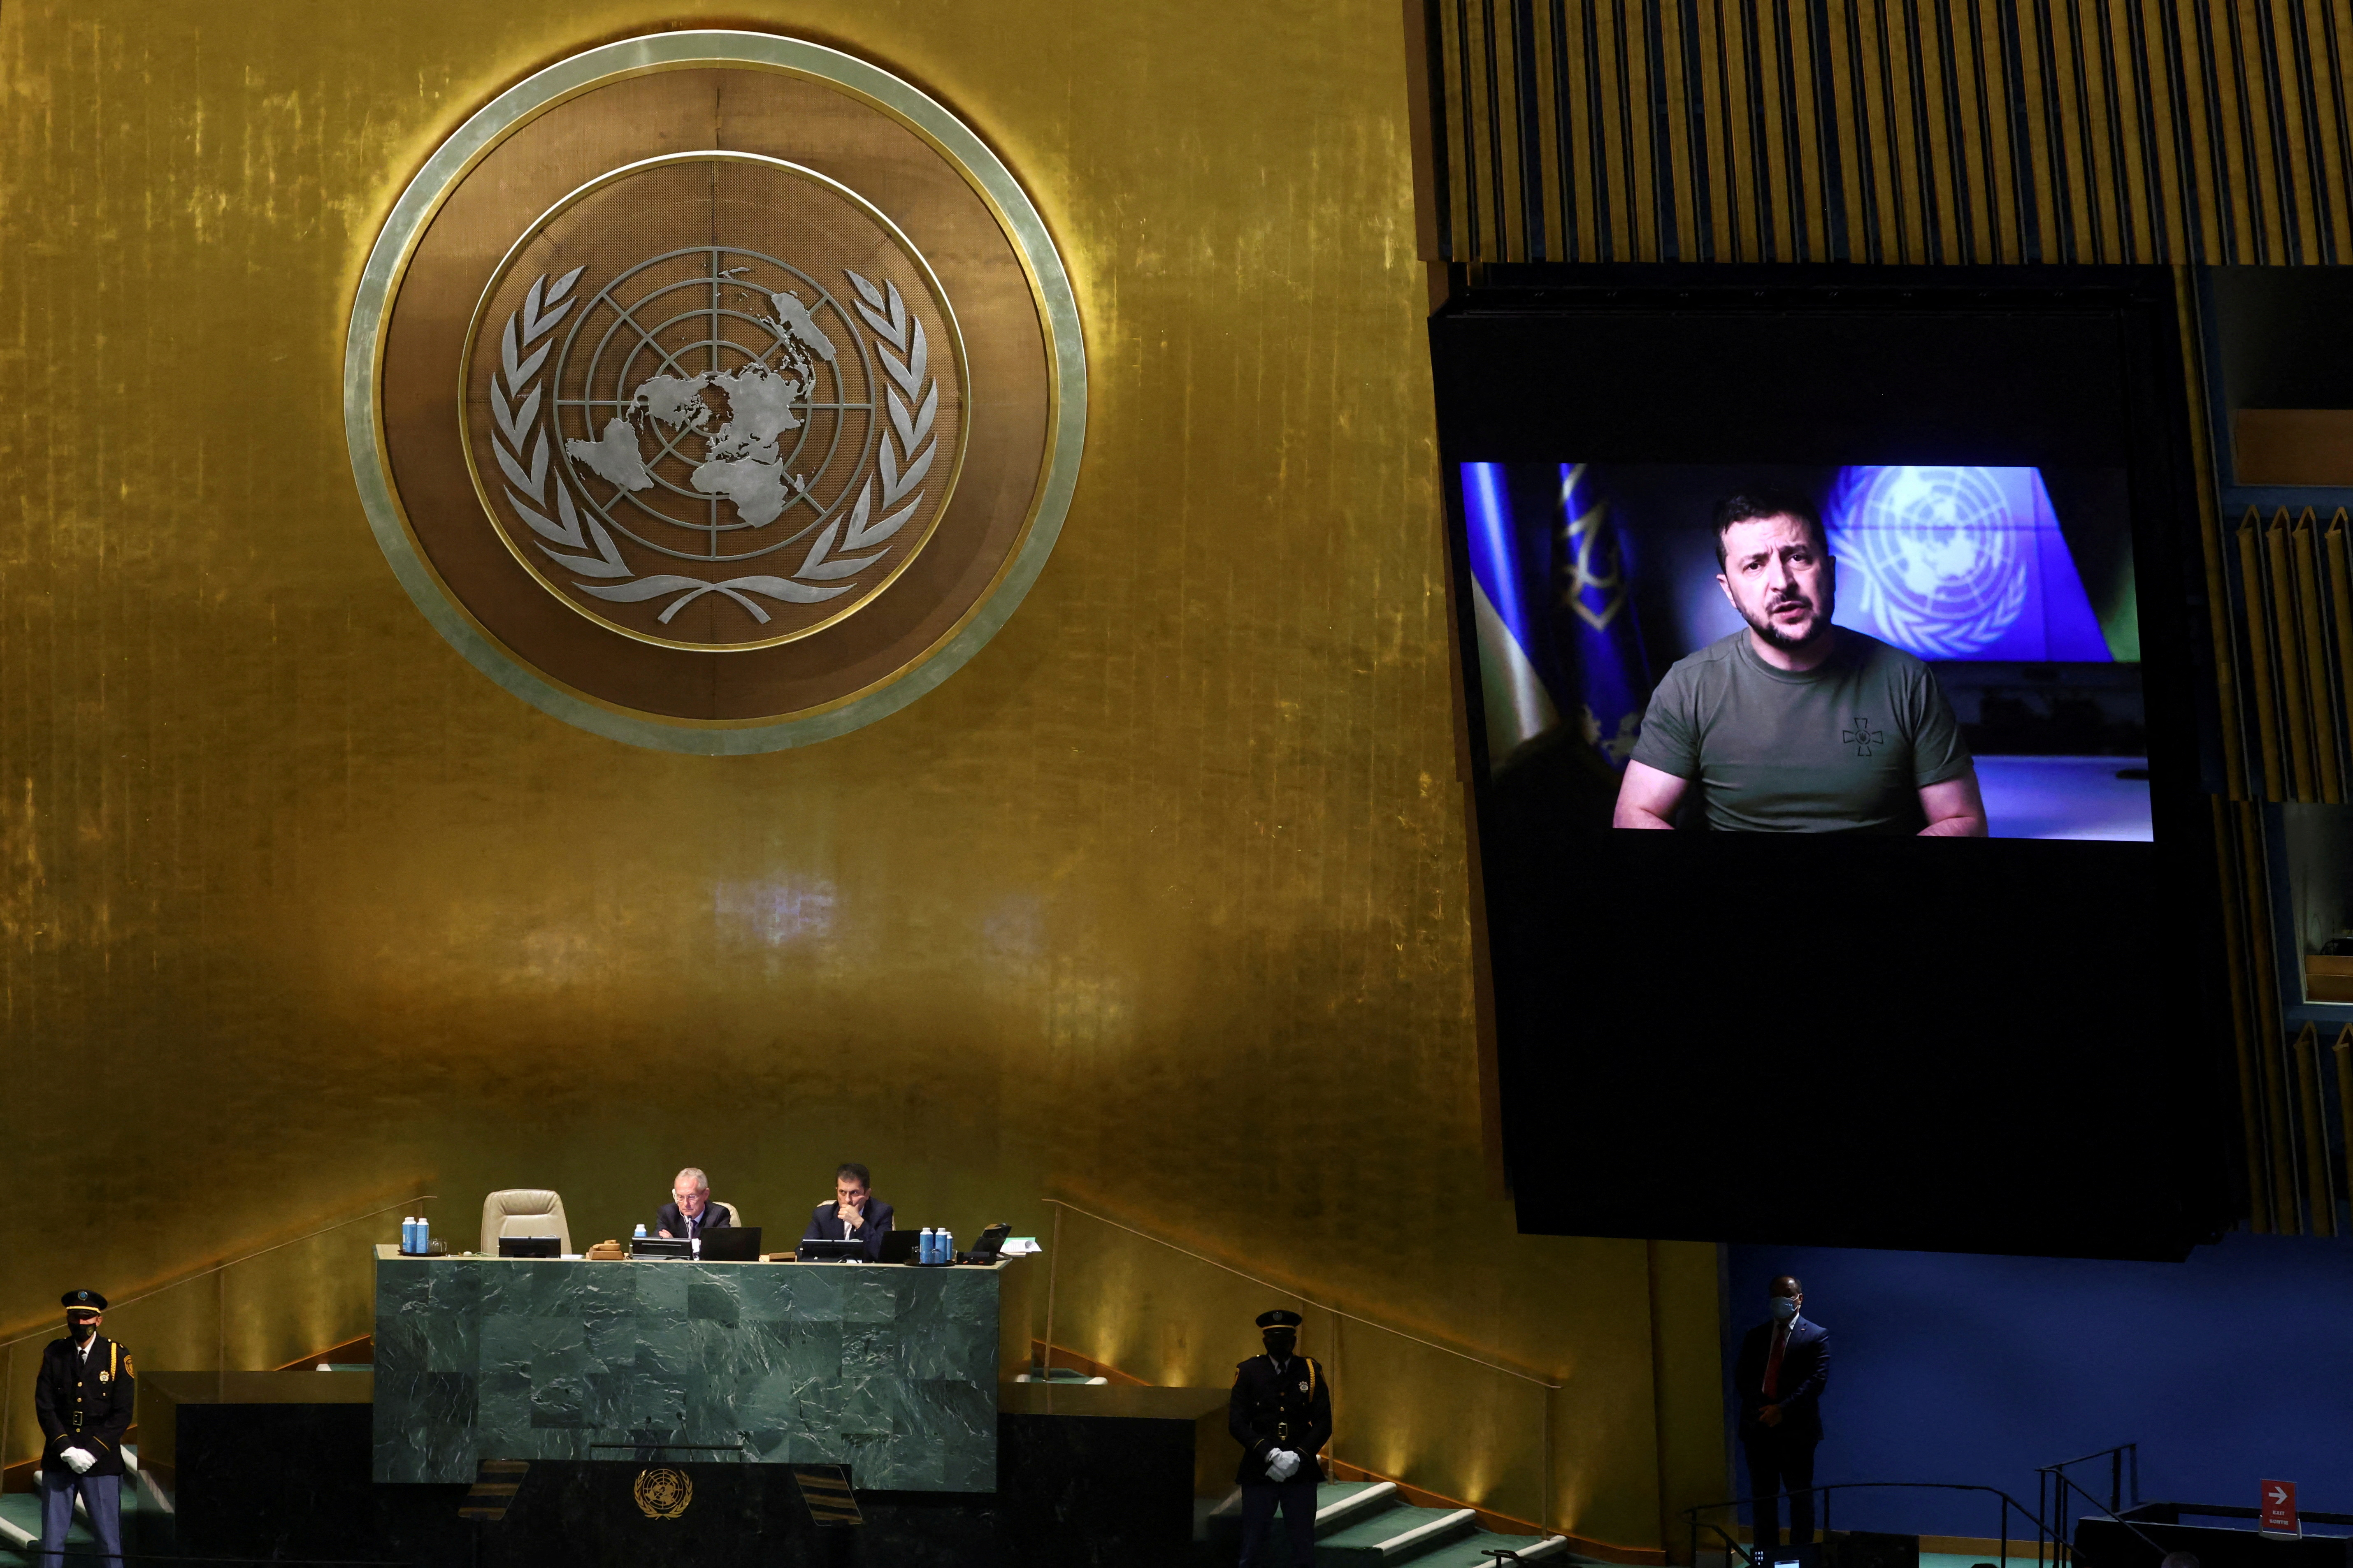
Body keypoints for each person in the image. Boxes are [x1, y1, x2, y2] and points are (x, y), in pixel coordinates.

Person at [1614, 490, 1988, 835]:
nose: (1781, 582)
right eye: (1754, 566)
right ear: (1728, 590)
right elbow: (1635, 813)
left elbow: (1961, 819)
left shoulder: (1907, 680)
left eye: (1797, 557)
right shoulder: (1689, 685)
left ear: (1830, 571)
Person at [34, 1289, 134, 1568]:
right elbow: (45, 1406)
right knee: (52, 1544)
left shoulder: (116, 1355)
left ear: (98, 1321)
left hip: (100, 1460)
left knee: (108, 1542)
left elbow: (123, 1412)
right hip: (60, 1457)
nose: (80, 1324)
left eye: (87, 1318)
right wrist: (65, 1448)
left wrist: (91, 1452)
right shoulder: (55, 1353)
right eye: (75, 1318)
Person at [1229, 1308, 1332, 1568]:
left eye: (1287, 1339)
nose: (1282, 1344)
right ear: (1265, 1341)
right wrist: (1271, 1454)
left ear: (1295, 1340)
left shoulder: (1309, 1370)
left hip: (1301, 1471)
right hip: (1259, 1469)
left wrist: (1297, 1457)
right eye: (1275, 1338)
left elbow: (1323, 1423)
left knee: (1303, 1545)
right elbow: (1237, 1423)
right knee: (1253, 1545)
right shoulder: (1249, 1371)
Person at [1734, 1275, 1829, 1554]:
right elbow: (1744, 1377)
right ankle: (1767, 1558)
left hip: (1797, 1430)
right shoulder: (1756, 1336)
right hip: (1758, 1427)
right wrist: (1761, 1410)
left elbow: (1816, 1381)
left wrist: (1782, 1410)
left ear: (1799, 1299)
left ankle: (1801, 1557)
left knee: (1799, 1497)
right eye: (1774, 1298)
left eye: (1785, 1297)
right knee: (1763, 1499)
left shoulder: (1815, 1336)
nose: (1780, 1303)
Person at [802, 1163, 894, 1261]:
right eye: (842, 1192)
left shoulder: (882, 1213)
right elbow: (803, 1252)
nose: (847, 1200)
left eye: (854, 1193)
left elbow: (886, 1256)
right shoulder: (822, 1215)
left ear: (867, 1194)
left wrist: (859, 1222)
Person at [655, 1167, 732, 1241]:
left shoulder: (719, 1215)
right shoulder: (667, 1214)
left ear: (706, 1194)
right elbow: (657, 1246)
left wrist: (675, 1244)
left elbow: (720, 1248)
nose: (686, 1204)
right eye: (681, 1197)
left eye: (692, 1197)